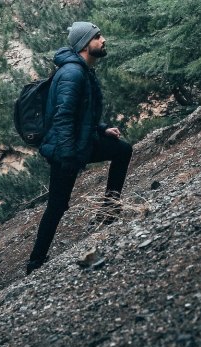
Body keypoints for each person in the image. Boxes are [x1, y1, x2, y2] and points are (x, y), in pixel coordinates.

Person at [26, 21, 132, 274]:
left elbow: (83, 114)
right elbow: (63, 117)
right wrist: (68, 156)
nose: (103, 40)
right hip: (66, 150)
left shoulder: (83, 70)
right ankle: (35, 263)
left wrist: (101, 129)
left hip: (81, 142)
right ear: (86, 44)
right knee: (57, 205)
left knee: (122, 150)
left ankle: (109, 211)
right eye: (98, 36)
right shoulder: (73, 74)